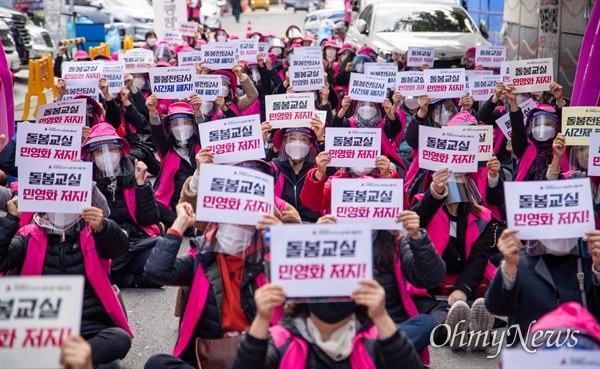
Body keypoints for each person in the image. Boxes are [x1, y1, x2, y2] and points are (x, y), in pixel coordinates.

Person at [142, 192, 292, 368]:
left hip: (255, 358)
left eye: (242, 223)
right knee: (157, 363)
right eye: (227, 221)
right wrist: (180, 224)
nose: (233, 228)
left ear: (255, 229)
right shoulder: (201, 259)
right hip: (209, 358)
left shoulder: (270, 263)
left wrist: (284, 241)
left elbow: (311, 306)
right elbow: (156, 271)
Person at [0, 199, 133, 369]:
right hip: (42, 328)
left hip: (88, 325)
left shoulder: (91, 233)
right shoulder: (29, 236)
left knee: (119, 339)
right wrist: (11, 219)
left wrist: (104, 227)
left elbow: (120, 249)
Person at [316, 211, 445, 357]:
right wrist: (318, 240)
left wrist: (417, 237)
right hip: (347, 326)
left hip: (390, 323)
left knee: (427, 323)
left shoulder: (395, 241)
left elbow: (432, 278)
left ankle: (367, 355)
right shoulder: (332, 236)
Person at [231, 279, 424, 369]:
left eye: (339, 286)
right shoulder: (281, 341)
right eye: (323, 286)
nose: (332, 294)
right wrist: (262, 319)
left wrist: (381, 316)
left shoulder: (373, 340)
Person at [410, 169, 503, 350]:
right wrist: (436, 192)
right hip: (427, 284)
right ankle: (453, 331)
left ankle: (474, 331)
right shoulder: (424, 203)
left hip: (463, 280)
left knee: (472, 306)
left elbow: (479, 259)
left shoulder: (482, 216)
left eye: (458, 176)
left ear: (467, 182)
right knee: (434, 312)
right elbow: (415, 223)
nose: (452, 180)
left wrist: (462, 289)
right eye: (446, 175)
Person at [485, 227, 600, 345]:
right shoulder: (519, 260)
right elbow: (496, 307)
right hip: (529, 357)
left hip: (582, 356)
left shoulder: (592, 260)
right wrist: (509, 267)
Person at [83, 123, 162, 288]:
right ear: (91, 156)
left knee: (161, 259)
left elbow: (148, 219)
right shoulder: (84, 181)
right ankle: (128, 279)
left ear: (120, 151)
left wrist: (141, 185)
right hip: (103, 244)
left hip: (135, 242)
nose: (106, 156)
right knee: (90, 263)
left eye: (111, 149)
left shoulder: (133, 173)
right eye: (99, 151)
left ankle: (114, 277)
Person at [147, 98, 202, 227]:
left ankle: (185, 224)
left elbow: (203, 130)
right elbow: (158, 136)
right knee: (151, 204)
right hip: (175, 204)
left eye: (186, 123)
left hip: (201, 200)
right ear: (169, 128)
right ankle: (188, 225)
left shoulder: (202, 145)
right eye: (175, 124)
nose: (181, 127)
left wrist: (198, 111)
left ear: (193, 125)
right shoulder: (168, 148)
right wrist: (153, 112)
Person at [504, 82, 566, 181]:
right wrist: (513, 102)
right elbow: (517, 127)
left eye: (548, 124)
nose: (542, 127)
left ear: (556, 127)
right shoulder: (525, 148)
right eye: (537, 124)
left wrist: (559, 99)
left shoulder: (561, 147)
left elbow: (564, 124)